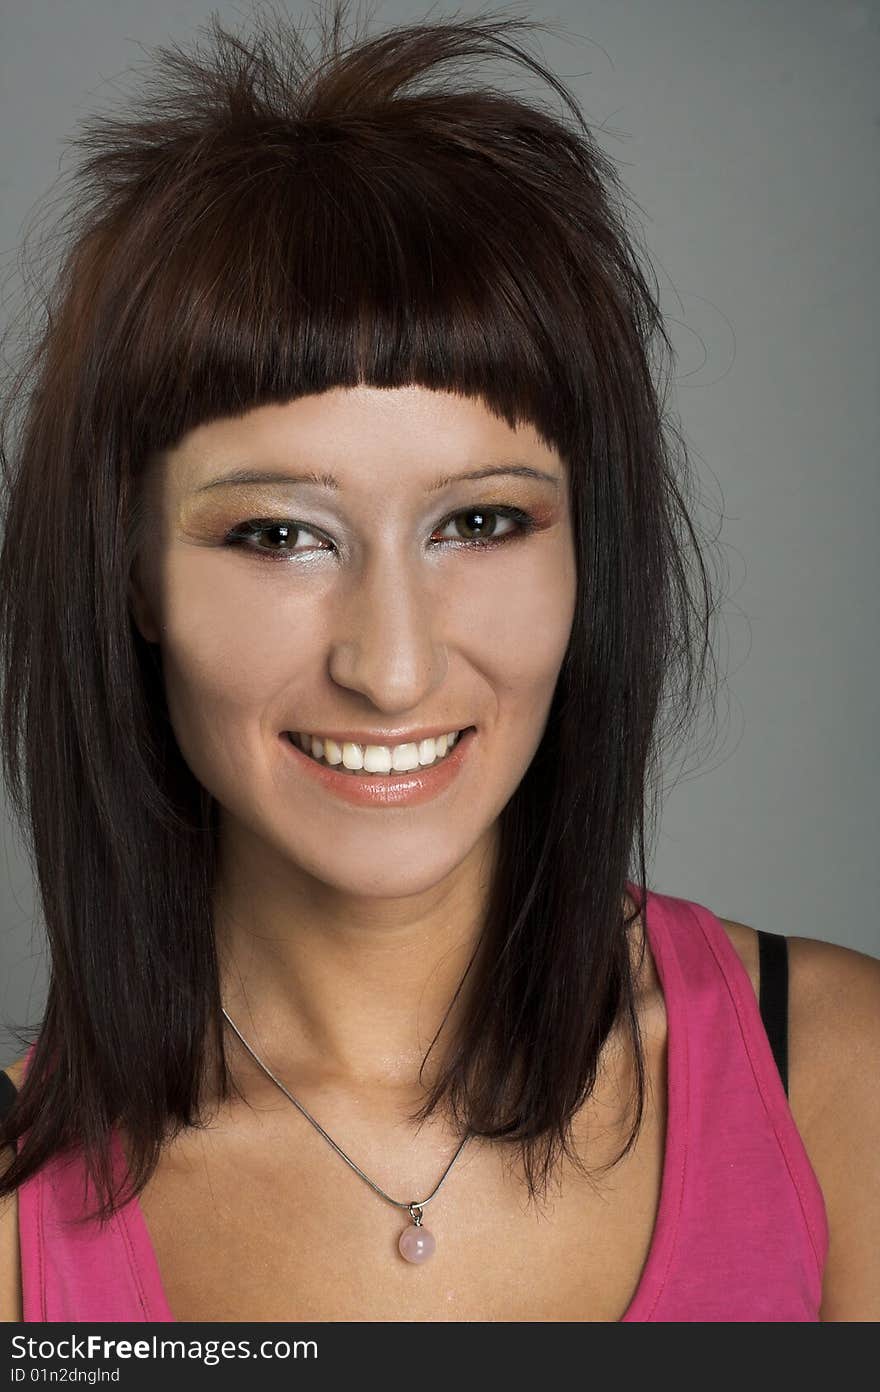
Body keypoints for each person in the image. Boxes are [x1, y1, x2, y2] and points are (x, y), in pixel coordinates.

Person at [0, 3, 877, 1324]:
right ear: (128, 572)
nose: (394, 667)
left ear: (592, 549)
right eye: (282, 534)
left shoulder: (844, 1084)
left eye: (481, 522)